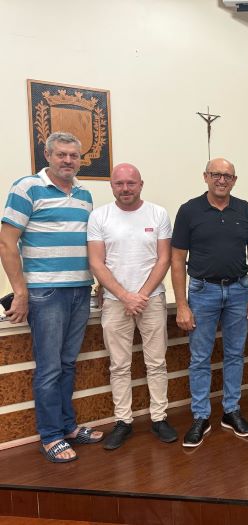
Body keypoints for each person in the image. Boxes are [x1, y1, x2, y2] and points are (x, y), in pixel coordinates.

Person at [0, 131, 103, 462]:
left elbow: (88, 245)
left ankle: (68, 426)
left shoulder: (84, 194)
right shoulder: (27, 188)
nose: (68, 161)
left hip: (80, 289)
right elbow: (6, 243)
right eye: (61, 154)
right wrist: (21, 292)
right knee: (49, 368)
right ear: (47, 156)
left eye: (73, 156)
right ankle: (51, 435)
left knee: (67, 363)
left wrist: (99, 282)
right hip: (45, 292)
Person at [171, 158, 248, 448]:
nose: (222, 180)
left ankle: (231, 411)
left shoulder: (245, 209)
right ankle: (201, 416)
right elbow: (176, 260)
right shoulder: (189, 210)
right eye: (216, 174)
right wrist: (182, 304)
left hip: (239, 291)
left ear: (234, 180)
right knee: (200, 357)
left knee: (235, 354)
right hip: (202, 292)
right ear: (205, 176)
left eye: (227, 176)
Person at [87, 163, 176, 450]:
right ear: (112, 186)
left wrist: (141, 295)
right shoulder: (99, 216)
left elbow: (164, 259)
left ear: (141, 184)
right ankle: (123, 422)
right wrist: (125, 296)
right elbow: (96, 262)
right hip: (115, 302)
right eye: (119, 183)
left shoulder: (158, 214)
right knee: (119, 365)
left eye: (131, 183)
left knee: (157, 363)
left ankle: (159, 418)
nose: (125, 189)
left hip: (152, 299)